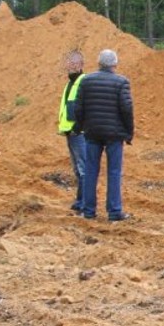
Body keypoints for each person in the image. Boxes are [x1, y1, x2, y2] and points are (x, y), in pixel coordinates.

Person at [73, 49, 134, 221]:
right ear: (115, 64)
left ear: (99, 62)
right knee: (114, 172)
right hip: (114, 134)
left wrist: (80, 126)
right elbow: (127, 109)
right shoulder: (122, 82)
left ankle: (88, 211)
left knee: (91, 170)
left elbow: (78, 107)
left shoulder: (86, 81)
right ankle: (114, 212)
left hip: (92, 132)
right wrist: (129, 132)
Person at [57, 50, 87, 214]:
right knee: (77, 169)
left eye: (74, 63)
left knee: (83, 169)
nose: (71, 66)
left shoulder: (83, 82)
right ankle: (79, 200)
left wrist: (79, 127)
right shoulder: (70, 83)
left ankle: (84, 203)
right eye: (69, 63)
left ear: (81, 65)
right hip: (71, 132)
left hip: (79, 133)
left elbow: (85, 108)